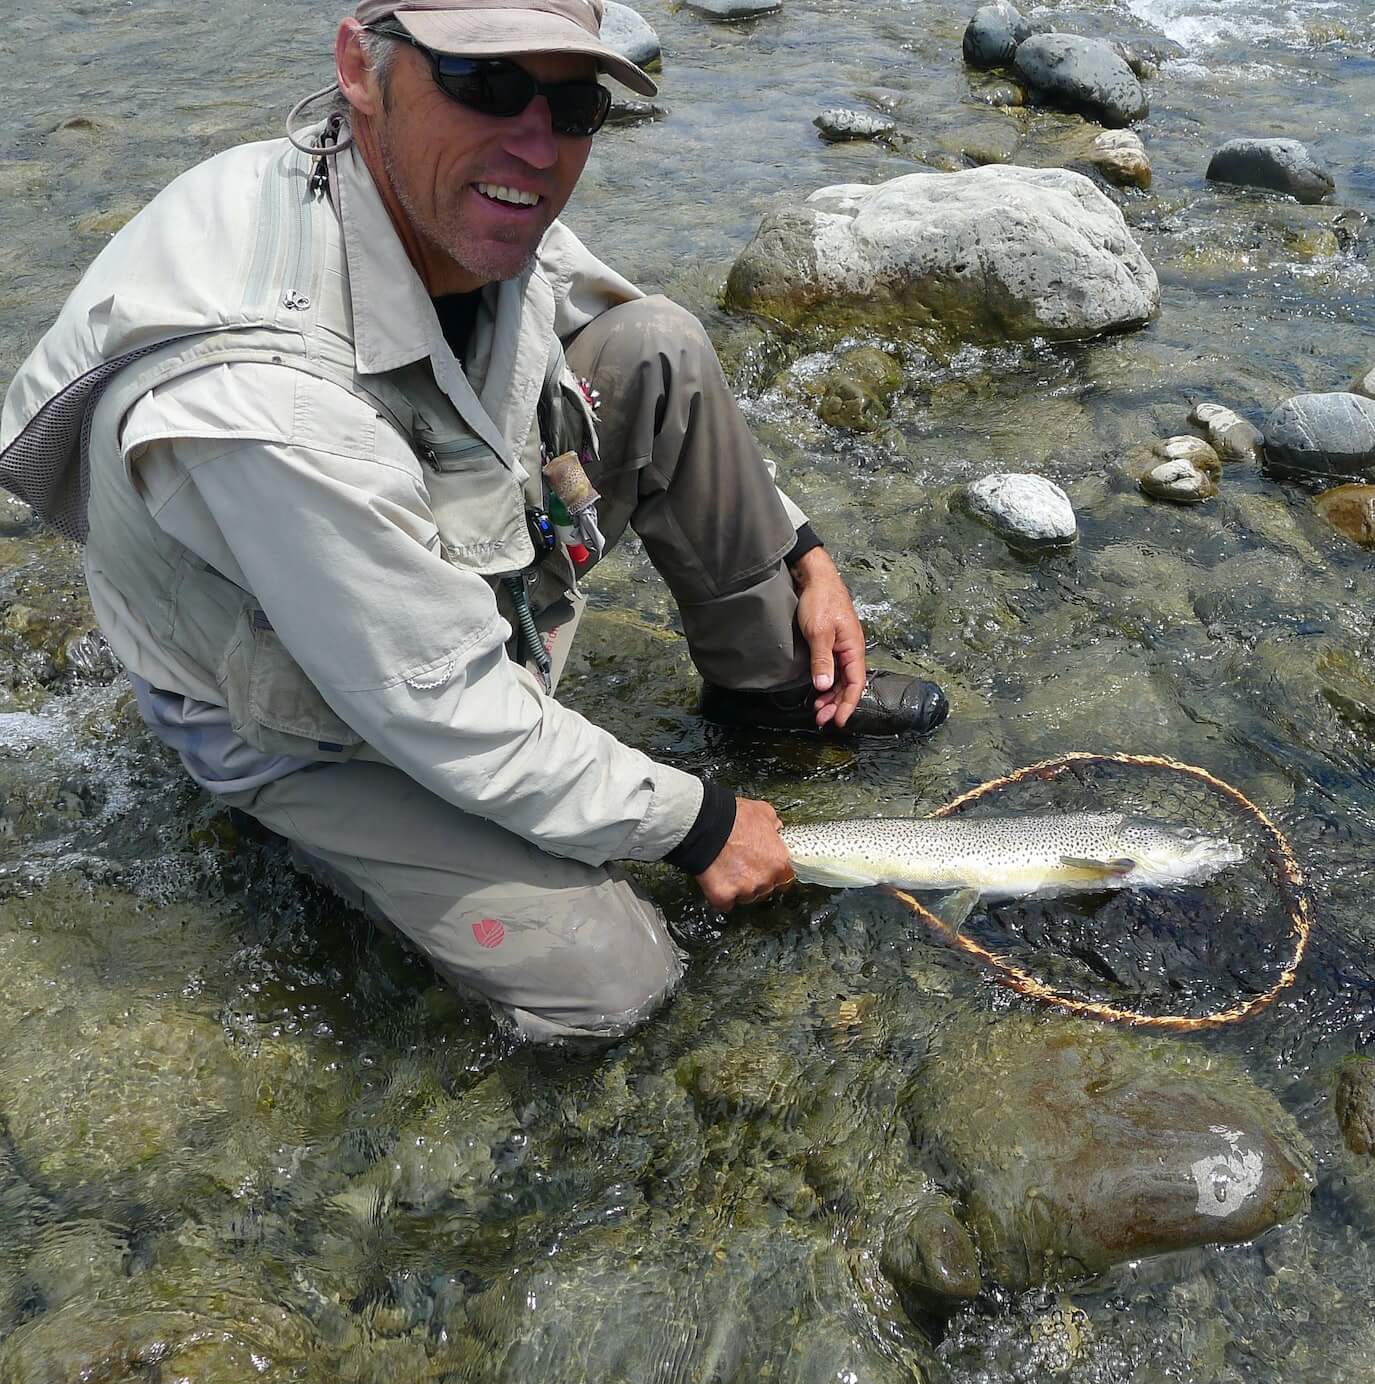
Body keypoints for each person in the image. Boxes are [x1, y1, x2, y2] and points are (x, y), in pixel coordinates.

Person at [0, 0, 949, 1043]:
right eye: (484, 83)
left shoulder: (462, 192)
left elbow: (602, 321)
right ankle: (310, 840)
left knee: (659, 345)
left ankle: (772, 687)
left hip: (402, 566)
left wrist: (800, 548)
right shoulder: (264, 398)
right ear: (359, 67)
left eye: (571, 101)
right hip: (297, 709)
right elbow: (442, 707)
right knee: (610, 980)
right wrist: (702, 822)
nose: (536, 142)